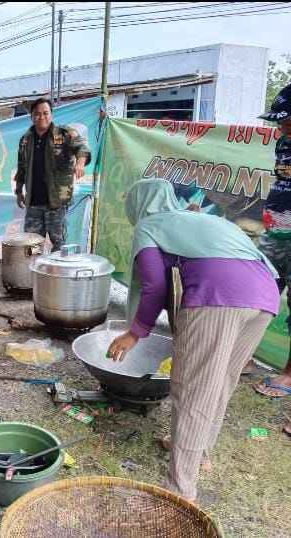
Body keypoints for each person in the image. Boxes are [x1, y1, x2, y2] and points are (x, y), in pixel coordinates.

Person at [106, 179, 278, 502]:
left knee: (193, 389)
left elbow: (155, 285)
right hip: (265, 296)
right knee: (220, 382)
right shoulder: (198, 218)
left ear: (139, 205)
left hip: (219, 295)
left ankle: (180, 491)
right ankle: (200, 453)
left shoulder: (150, 224)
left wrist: (135, 332)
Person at [253, 84, 291, 434]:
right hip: (275, 229)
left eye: (286, 121)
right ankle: (244, 351)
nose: (281, 128)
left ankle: (289, 374)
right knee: (258, 292)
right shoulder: (282, 141)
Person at [14, 98, 91, 250]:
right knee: (31, 245)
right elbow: (21, 168)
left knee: (59, 243)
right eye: (37, 114)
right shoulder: (25, 140)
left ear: (51, 115)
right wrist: (18, 192)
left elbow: (82, 148)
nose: (41, 117)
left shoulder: (64, 134)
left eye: (45, 113)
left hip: (57, 201)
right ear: (31, 116)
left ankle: (54, 273)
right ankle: (34, 273)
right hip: (34, 201)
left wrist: (80, 163)